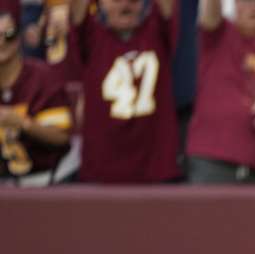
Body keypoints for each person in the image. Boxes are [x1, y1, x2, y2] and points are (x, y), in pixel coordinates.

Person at [67, 0, 179, 183]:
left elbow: (168, 10)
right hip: (102, 172)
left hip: (155, 170)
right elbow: (77, 17)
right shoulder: (91, 36)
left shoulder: (157, 31)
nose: (125, 4)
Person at [185, 0, 255, 184]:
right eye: (246, 1)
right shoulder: (217, 32)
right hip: (213, 157)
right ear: (234, 4)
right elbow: (210, 13)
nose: (254, 7)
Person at [0, 8, 71, 186]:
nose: (1, 42)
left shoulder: (43, 77)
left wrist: (23, 123)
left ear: (19, 37)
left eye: (8, 34)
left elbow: (62, 136)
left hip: (45, 180)